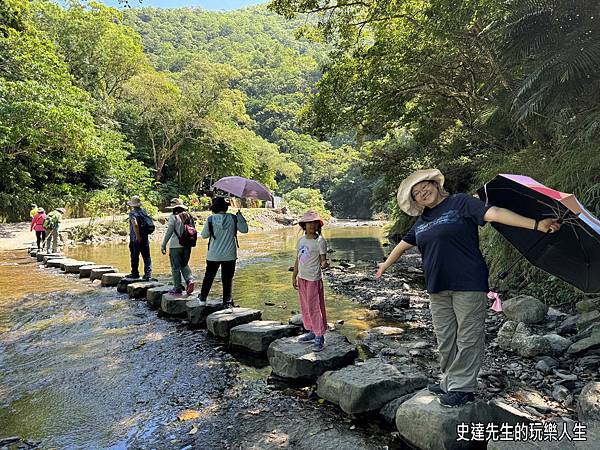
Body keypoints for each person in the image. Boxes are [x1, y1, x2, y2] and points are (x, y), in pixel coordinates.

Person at [376, 169, 561, 407]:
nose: (422, 192)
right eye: (416, 193)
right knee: (445, 339)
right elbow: (402, 246)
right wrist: (385, 264)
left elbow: (494, 213)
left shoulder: (460, 202)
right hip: (437, 287)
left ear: (436, 184)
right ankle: (448, 381)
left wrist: (536, 225)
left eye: (425, 186)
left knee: (468, 337)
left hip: (468, 282)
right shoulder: (421, 222)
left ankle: (463, 388)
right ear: (415, 201)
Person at [292, 210, 330, 352]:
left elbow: (322, 261)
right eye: (309, 223)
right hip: (302, 278)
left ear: (318, 225)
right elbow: (298, 258)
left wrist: (325, 264)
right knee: (306, 306)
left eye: (314, 223)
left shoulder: (320, 241)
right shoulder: (301, 240)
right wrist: (294, 275)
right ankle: (312, 331)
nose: (312, 225)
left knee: (315, 307)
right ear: (304, 225)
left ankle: (320, 336)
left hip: (314, 278)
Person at [199, 197, 248, 306]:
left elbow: (204, 235)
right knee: (227, 278)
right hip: (229, 254)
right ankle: (227, 301)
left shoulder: (210, 219)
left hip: (213, 254)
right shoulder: (234, 218)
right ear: (226, 207)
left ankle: (202, 298)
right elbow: (244, 230)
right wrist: (240, 216)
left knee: (209, 277)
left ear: (214, 208)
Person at [161, 198, 195, 296]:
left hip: (175, 246)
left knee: (175, 267)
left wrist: (164, 244)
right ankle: (190, 280)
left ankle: (177, 288)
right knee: (184, 264)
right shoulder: (189, 216)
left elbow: (170, 231)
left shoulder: (174, 217)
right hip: (188, 245)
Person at [126, 195, 153, 280]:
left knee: (134, 256)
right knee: (146, 257)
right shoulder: (144, 211)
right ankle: (148, 274)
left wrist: (138, 237)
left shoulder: (132, 213)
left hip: (135, 239)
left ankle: (135, 273)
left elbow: (135, 225)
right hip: (145, 237)